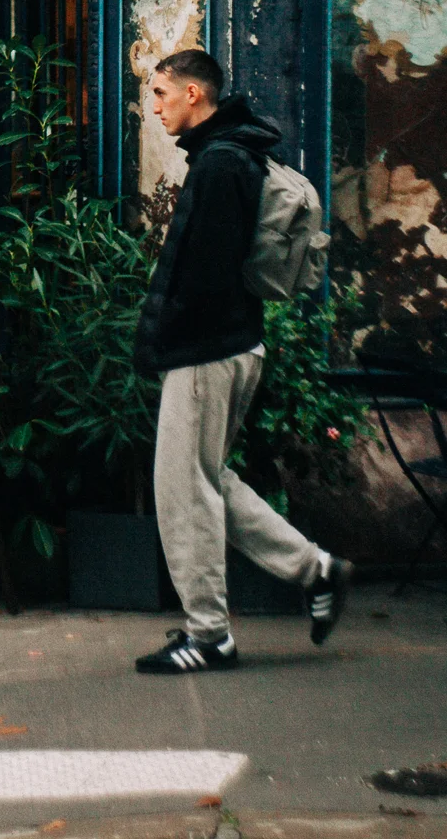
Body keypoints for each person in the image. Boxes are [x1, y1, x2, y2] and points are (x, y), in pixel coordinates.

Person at [131, 48, 353, 673]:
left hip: (209, 349)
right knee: (209, 480)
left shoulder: (221, 165)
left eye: (161, 94)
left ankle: (210, 636)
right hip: (227, 344)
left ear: (195, 95)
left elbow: (201, 270)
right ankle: (317, 571)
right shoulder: (230, 156)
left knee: (182, 490)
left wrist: (162, 336)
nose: (155, 107)